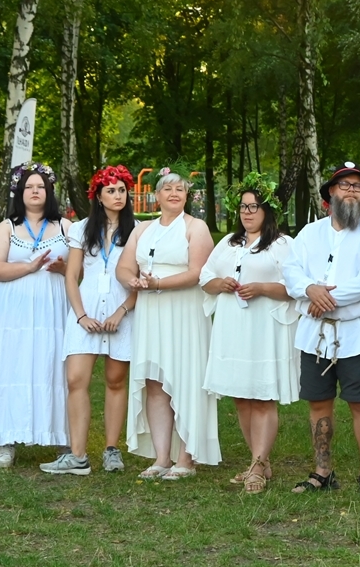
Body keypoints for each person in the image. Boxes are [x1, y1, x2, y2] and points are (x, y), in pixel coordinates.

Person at [282, 162, 360, 496]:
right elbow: (291, 270)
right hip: (315, 336)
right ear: (331, 192)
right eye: (345, 185)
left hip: (355, 333)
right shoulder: (309, 233)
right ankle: (322, 470)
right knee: (318, 402)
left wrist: (324, 298)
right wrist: (309, 290)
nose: (351, 191)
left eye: (357, 187)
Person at [0, 165, 72, 468]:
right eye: (29, 187)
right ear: (19, 193)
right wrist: (28, 267)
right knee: (11, 367)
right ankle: (6, 439)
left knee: (52, 365)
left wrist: (63, 269)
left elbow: (82, 271)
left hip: (51, 309)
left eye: (40, 186)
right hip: (12, 312)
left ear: (49, 191)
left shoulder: (66, 227)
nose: (35, 191)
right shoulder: (7, 227)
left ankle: (61, 437)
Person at [200, 177, 299, 492]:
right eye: (243, 207)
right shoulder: (229, 243)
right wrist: (220, 284)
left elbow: (295, 286)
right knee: (241, 396)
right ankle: (259, 460)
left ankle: (257, 465)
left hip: (263, 328)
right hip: (233, 327)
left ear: (267, 210)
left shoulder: (281, 244)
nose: (247, 212)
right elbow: (205, 277)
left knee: (262, 396)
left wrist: (262, 288)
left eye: (254, 207)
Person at [119, 171, 220, 479]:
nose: (174, 193)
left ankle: (186, 457)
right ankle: (162, 457)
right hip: (151, 311)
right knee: (155, 380)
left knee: (186, 377)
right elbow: (124, 266)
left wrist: (159, 283)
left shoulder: (196, 227)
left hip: (184, 309)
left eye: (180, 189)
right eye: (168, 189)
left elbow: (198, 272)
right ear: (157, 195)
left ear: (187, 196)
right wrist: (133, 281)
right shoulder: (142, 229)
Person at [42, 165, 138, 476]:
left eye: (122, 190)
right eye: (111, 190)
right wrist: (81, 315)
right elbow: (72, 276)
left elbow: (140, 281)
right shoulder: (81, 228)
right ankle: (77, 455)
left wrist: (122, 311)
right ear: (98, 196)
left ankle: (111, 450)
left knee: (115, 380)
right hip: (86, 313)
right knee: (76, 379)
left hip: (122, 312)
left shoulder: (138, 230)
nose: (118, 195)